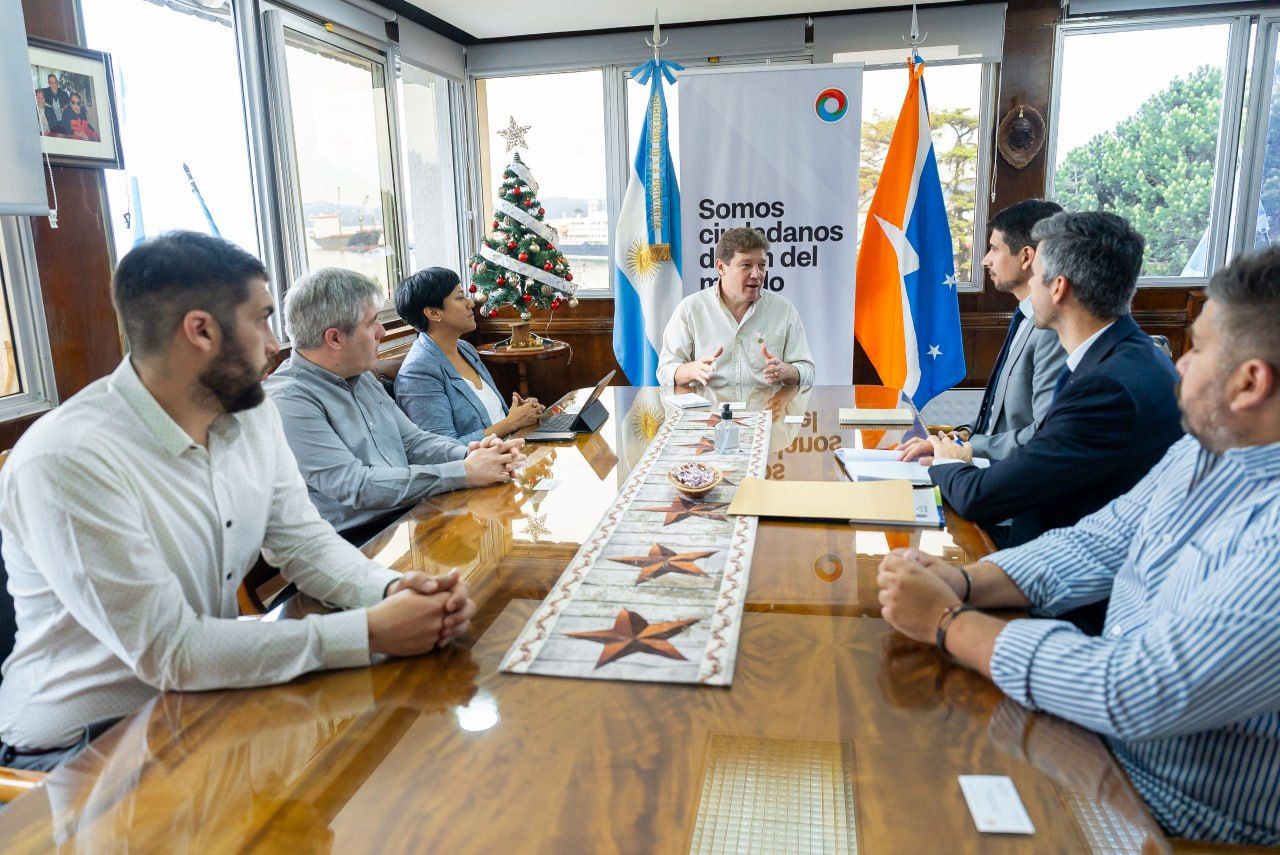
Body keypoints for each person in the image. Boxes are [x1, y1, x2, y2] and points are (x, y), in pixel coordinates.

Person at [0, 232, 476, 770]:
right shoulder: (69, 459)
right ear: (200, 330)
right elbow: (170, 653)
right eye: (262, 320)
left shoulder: (250, 415)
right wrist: (370, 630)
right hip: (79, 750)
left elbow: (305, 543)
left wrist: (391, 588)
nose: (277, 344)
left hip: (203, 703)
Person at [876, 245, 1280, 846]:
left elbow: (1132, 690)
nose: (1181, 364)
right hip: (1097, 746)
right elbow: (1097, 545)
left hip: (1182, 821)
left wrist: (946, 621)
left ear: (1250, 383)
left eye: (1198, 349)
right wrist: (960, 582)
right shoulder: (1208, 450)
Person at [921, 211, 1183, 550]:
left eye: (1037, 274)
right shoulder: (1115, 357)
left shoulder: (1106, 387)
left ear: (1058, 287)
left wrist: (948, 461)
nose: (1030, 284)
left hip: (1056, 563)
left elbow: (980, 497)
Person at [265, 267, 523, 541]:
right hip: (355, 541)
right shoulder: (289, 399)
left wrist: (472, 453)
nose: (381, 331)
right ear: (335, 338)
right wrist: (463, 471)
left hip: (407, 516)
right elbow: (356, 486)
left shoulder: (360, 373)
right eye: (372, 322)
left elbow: (413, 442)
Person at [899, 200, 1066, 461]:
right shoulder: (1024, 316)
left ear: (1026, 257)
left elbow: (1044, 435)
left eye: (993, 249)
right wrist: (956, 438)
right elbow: (994, 420)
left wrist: (968, 449)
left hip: (1008, 475)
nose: (985, 261)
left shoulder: (1052, 331)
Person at [393, 267, 543, 442]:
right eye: (459, 297)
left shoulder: (465, 349)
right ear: (434, 313)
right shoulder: (417, 372)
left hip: (510, 452)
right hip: (484, 466)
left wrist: (522, 413)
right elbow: (442, 450)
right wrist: (512, 422)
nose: (470, 303)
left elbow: (491, 422)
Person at [656, 227, 815, 387]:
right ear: (721, 267)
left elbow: (808, 372)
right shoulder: (690, 309)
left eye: (761, 265)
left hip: (766, 410)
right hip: (709, 410)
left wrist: (787, 371)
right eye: (746, 265)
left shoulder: (784, 310)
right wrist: (691, 370)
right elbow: (665, 372)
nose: (756, 274)